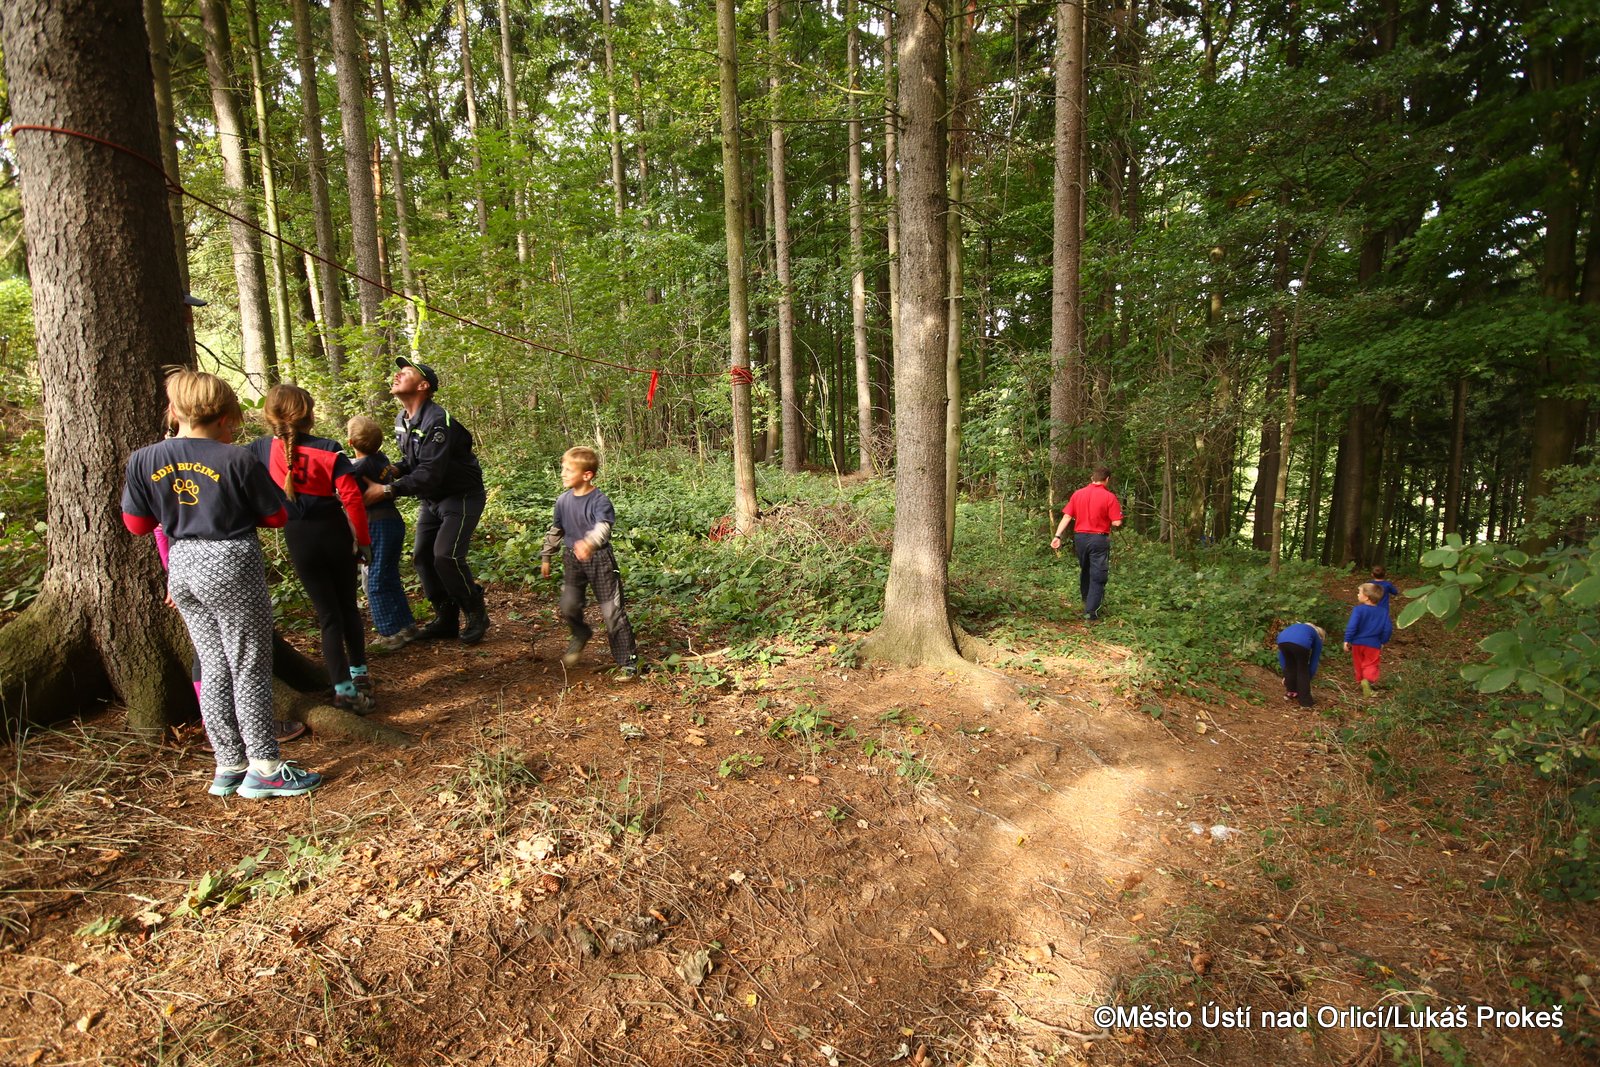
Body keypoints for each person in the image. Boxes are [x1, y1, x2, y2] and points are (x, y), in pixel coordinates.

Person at [121, 370, 322, 799]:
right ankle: (265, 766)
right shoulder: (236, 459)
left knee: (212, 664)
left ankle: (229, 763)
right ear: (225, 415)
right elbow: (276, 516)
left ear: (175, 410)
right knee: (249, 662)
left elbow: (136, 524)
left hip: (182, 563)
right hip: (230, 560)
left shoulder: (142, 459)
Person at [249, 384, 374, 713]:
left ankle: (343, 689)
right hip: (334, 534)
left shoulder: (259, 449)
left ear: (270, 415)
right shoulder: (329, 449)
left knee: (328, 616)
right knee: (347, 607)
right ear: (308, 414)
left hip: (298, 537)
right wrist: (363, 542)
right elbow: (352, 499)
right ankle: (360, 675)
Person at [364, 357, 490, 645]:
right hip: (432, 498)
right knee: (423, 557)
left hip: (461, 496)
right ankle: (446, 618)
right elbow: (415, 461)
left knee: (446, 555)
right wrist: (395, 469)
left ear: (423, 386)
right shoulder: (402, 420)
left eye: (405, 372)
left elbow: (430, 472)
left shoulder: (437, 421)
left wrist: (388, 490)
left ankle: (475, 612)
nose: (397, 375)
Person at [540, 446, 638, 679]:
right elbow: (556, 530)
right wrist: (546, 556)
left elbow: (603, 527)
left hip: (600, 561)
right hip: (572, 560)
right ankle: (581, 633)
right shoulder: (562, 501)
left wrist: (589, 543)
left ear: (587, 475)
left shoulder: (600, 501)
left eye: (568, 470)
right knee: (569, 605)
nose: (563, 474)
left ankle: (628, 662)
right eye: (563, 469)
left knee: (612, 612)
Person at [348, 415, 419, 652]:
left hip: (376, 525)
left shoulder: (357, 469)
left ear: (351, 442)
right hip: (392, 521)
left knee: (375, 580)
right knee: (388, 575)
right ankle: (406, 626)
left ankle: (389, 633)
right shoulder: (382, 459)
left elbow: (344, 485)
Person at [1050, 466, 1123, 621]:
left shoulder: (1078, 494)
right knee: (1098, 574)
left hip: (1080, 538)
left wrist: (1057, 536)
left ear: (1092, 478)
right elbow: (1116, 522)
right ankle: (1091, 611)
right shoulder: (1110, 497)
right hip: (1098, 539)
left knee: (1086, 569)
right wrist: (1118, 515)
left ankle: (1086, 600)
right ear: (1107, 479)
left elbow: (1067, 517)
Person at [1344, 582, 1394, 697]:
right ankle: (1367, 680)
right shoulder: (1383, 612)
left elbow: (1352, 626)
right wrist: (1383, 641)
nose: (1357, 594)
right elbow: (1388, 629)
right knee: (1371, 664)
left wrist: (1347, 639)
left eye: (1359, 592)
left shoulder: (1358, 610)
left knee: (1358, 663)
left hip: (1357, 643)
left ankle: (1360, 681)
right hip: (1373, 644)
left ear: (1366, 597)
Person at [1275, 622, 1326, 708]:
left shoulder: (1296, 628)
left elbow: (1282, 657)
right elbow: (1314, 661)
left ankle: (1290, 693)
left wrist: (1286, 675)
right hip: (1301, 643)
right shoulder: (1317, 637)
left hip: (1281, 640)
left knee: (1290, 666)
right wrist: (1308, 678)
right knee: (1303, 670)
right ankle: (1305, 702)